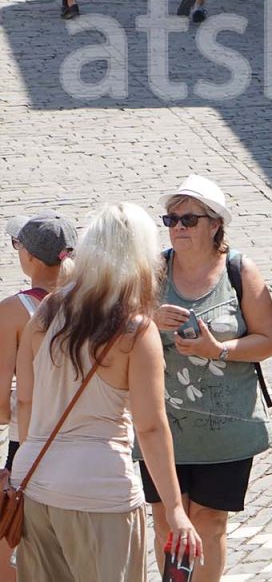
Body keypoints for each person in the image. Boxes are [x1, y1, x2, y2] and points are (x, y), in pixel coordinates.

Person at [12, 203, 202, 581]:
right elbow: (149, 427)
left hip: (35, 481)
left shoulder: (47, 310)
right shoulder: (134, 330)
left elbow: (25, 400)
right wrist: (175, 509)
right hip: (101, 487)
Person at [145, 176, 272, 582]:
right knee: (167, 521)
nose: (178, 227)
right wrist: (149, 321)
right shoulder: (152, 272)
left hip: (227, 427)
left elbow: (268, 340)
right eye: (172, 219)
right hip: (161, 424)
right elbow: (117, 331)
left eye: (189, 218)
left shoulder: (239, 271)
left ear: (215, 224)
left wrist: (217, 349)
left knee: (209, 521)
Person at [0, 212, 74, 582]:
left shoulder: (14, 311)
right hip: (85, 444)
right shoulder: (94, 304)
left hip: (28, 446)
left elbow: (0, 405)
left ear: (28, 256)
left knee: (12, 553)